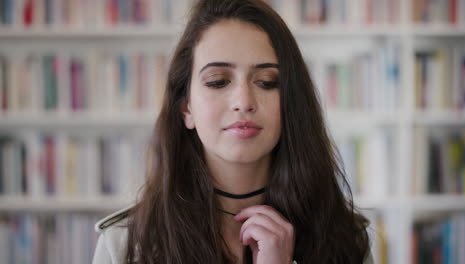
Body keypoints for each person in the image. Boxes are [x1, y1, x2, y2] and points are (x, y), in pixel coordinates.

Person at [92, 0, 374, 263]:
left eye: (266, 82)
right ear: (186, 108)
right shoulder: (125, 245)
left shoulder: (345, 238)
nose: (244, 102)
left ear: (291, 102)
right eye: (217, 81)